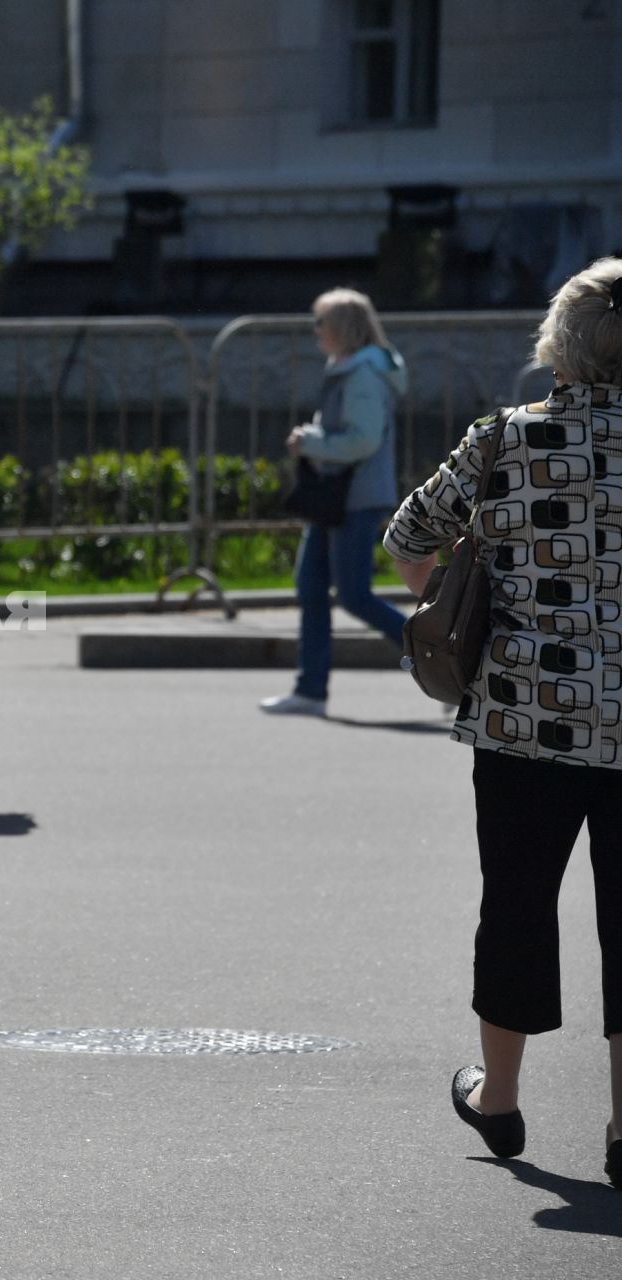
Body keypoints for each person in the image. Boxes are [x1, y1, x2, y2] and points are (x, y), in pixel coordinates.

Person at [384, 257, 622, 1187]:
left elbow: (409, 544)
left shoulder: (505, 441)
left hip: (526, 721)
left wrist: (469, 584)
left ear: (559, 343)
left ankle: (501, 1099)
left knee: (517, 904)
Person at [259, 288, 409, 716]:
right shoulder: (348, 368)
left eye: (319, 322)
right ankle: (310, 690)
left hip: (353, 498)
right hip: (336, 498)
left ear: (342, 328)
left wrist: (310, 441)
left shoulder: (363, 375)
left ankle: (443, 662)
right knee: (311, 589)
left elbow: (362, 441)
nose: (315, 332)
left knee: (355, 596)